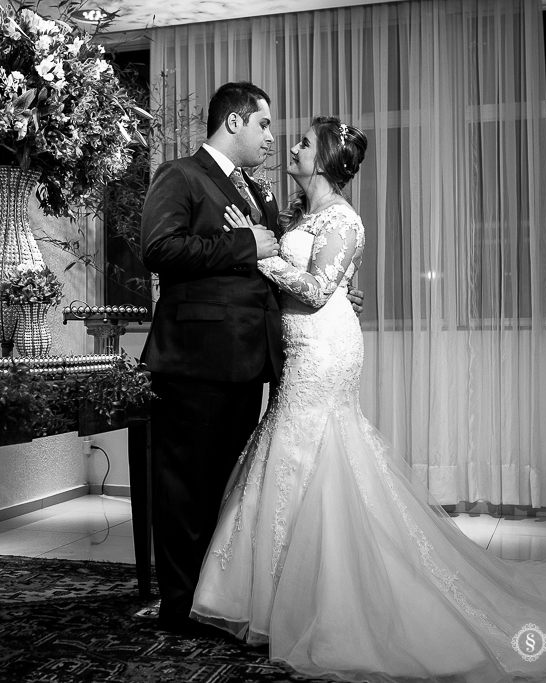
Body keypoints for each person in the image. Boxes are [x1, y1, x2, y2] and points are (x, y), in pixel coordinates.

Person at [191, 116, 546, 682]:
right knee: (290, 454)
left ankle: (331, 595)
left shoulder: (343, 218)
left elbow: (317, 291)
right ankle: (278, 593)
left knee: (319, 455)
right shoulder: (299, 214)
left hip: (325, 349)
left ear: (327, 161)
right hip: (301, 345)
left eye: (304, 143)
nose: (291, 147)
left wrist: (260, 254)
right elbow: (321, 279)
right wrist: (279, 252)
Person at [139, 82, 362, 637]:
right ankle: (178, 607)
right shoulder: (181, 176)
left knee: (228, 489)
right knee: (184, 487)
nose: (273, 138)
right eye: (264, 125)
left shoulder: (260, 197)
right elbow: (159, 249)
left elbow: (288, 269)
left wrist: (334, 293)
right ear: (234, 122)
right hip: (195, 360)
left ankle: (212, 598)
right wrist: (248, 247)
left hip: (251, 361)